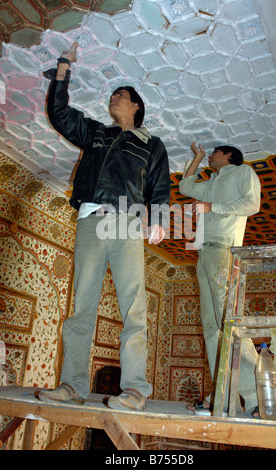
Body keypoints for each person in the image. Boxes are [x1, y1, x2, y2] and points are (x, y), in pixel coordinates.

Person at [39, 44, 170, 411]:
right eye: (114, 93)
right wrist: (63, 68)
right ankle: (73, 385)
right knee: (82, 307)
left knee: (134, 308)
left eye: (123, 95)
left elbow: (159, 186)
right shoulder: (96, 132)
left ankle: (135, 390)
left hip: (127, 221)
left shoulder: (152, 145)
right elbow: (59, 113)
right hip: (90, 222)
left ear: (137, 108)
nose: (115, 97)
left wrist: (158, 219)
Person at [179, 141, 261, 418]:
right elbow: (185, 187)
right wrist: (197, 157)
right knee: (213, 328)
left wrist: (213, 208)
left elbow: (252, 204)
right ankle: (223, 396)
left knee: (229, 320)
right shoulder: (211, 181)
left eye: (213, 152)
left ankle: (256, 395)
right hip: (204, 252)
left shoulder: (243, 172)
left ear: (228, 155)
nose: (211, 156)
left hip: (225, 249)